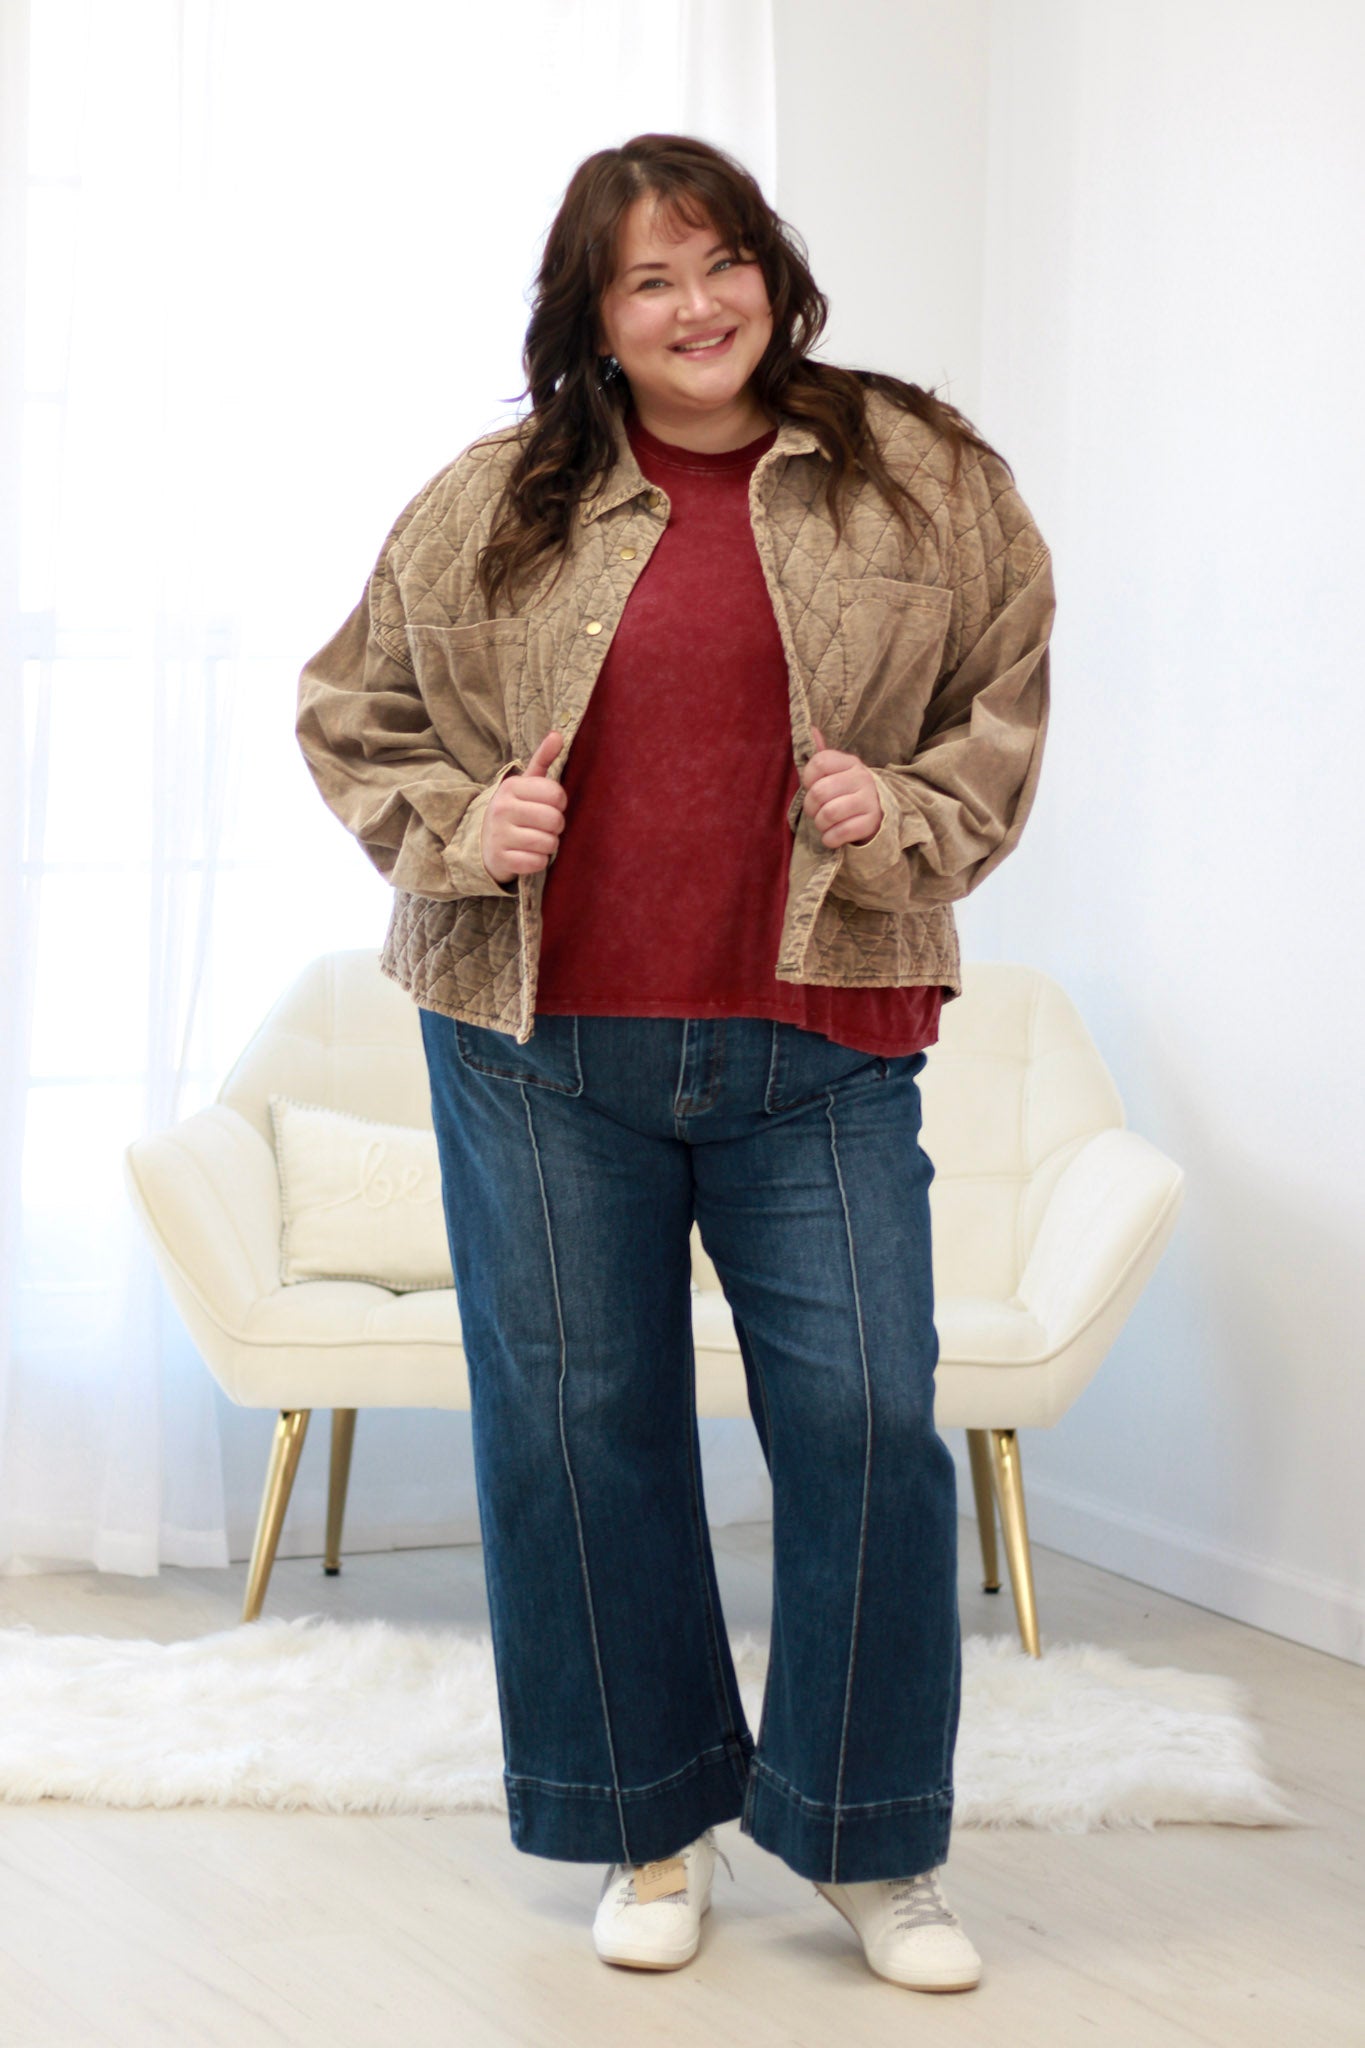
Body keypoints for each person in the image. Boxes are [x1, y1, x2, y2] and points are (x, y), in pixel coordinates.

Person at [295, 131, 1055, 1995]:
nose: (697, 306)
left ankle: (872, 1843)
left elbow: (1001, 700)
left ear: (772, 274)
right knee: (580, 1437)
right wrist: (463, 825)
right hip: (536, 1044)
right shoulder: (491, 501)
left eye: (721, 262)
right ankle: (647, 1821)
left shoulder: (927, 478)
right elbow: (348, 710)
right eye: (649, 280)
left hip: (826, 1036)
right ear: (596, 318)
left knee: (866, 1423)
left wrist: (901, 816)